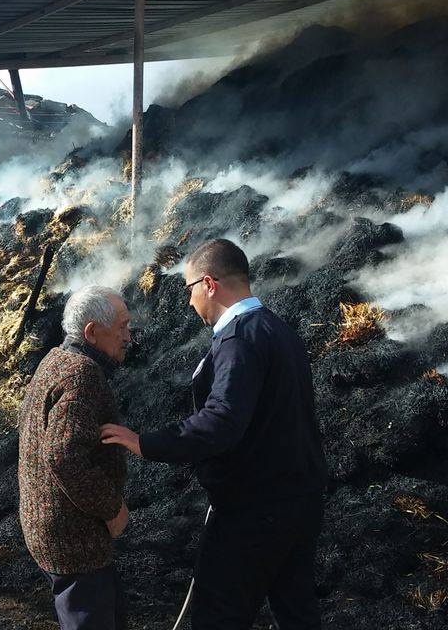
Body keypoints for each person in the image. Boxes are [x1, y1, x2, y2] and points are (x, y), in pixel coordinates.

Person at [100, 239, 327, 630]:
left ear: (209, 284)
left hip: (254, 508)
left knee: (217, 616)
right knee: (297, 614)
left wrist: (146, 442)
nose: (188, 302)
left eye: (188, 289)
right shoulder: (278, 329)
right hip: (299, 499)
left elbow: (222, 420)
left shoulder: (238, 338)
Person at [18, 285, 133, 630]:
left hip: (53, 526)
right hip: (74, 537)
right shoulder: (81, 375)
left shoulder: (55, 360)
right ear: (92, 332)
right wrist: (112, 507)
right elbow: (63, 457)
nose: (129, 336)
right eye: (123, 327)